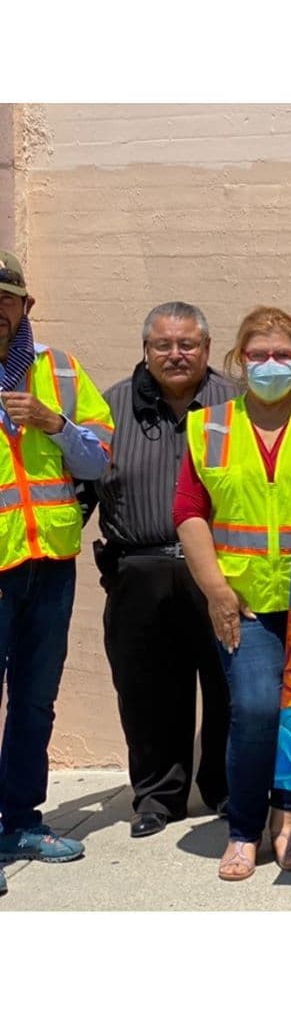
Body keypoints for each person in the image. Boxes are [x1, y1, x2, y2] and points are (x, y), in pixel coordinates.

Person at [175, 306, 291, 881]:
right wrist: (216, 589)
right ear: (237, 359)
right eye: (259, 355)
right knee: (253, 709)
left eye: (282, 354)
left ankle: (288, 827)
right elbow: (190, 512)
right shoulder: (210, 425)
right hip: (243, 603)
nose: (271, 364)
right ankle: (244, 830)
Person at [82, 302, 234, 838]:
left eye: (187, 344)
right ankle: (157, 797)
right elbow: (81, 486)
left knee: (227, 685)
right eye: (163, 345)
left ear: (207, 350)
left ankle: (223, 787)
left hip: (217, 572)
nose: (175, 354)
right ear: (145, 349)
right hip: (137, 571)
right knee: (147, 691)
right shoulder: (110, 406)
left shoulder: (232, 404)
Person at [0, 249, 113, 892]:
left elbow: (99, 460)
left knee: (36, 701)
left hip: (50, 564)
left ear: (25, 306)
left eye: (5, 298)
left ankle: (20, 820)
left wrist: (55, 422)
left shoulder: (60, 371)